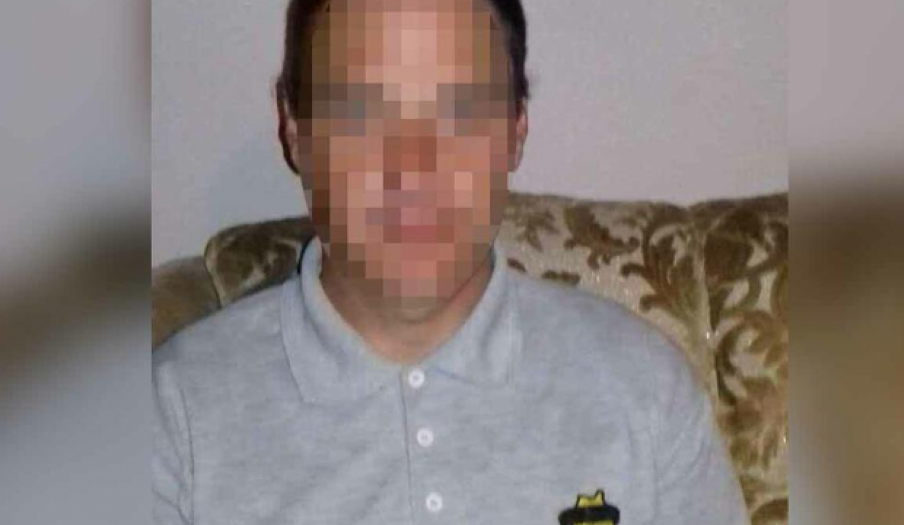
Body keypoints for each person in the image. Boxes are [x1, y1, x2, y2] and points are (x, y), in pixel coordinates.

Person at [152, 0, 749, 523]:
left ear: (516, 128)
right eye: (362, 111)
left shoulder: (644, 389)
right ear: (294, 129)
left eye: (459, 112)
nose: (412, 167)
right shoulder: (174, 417)